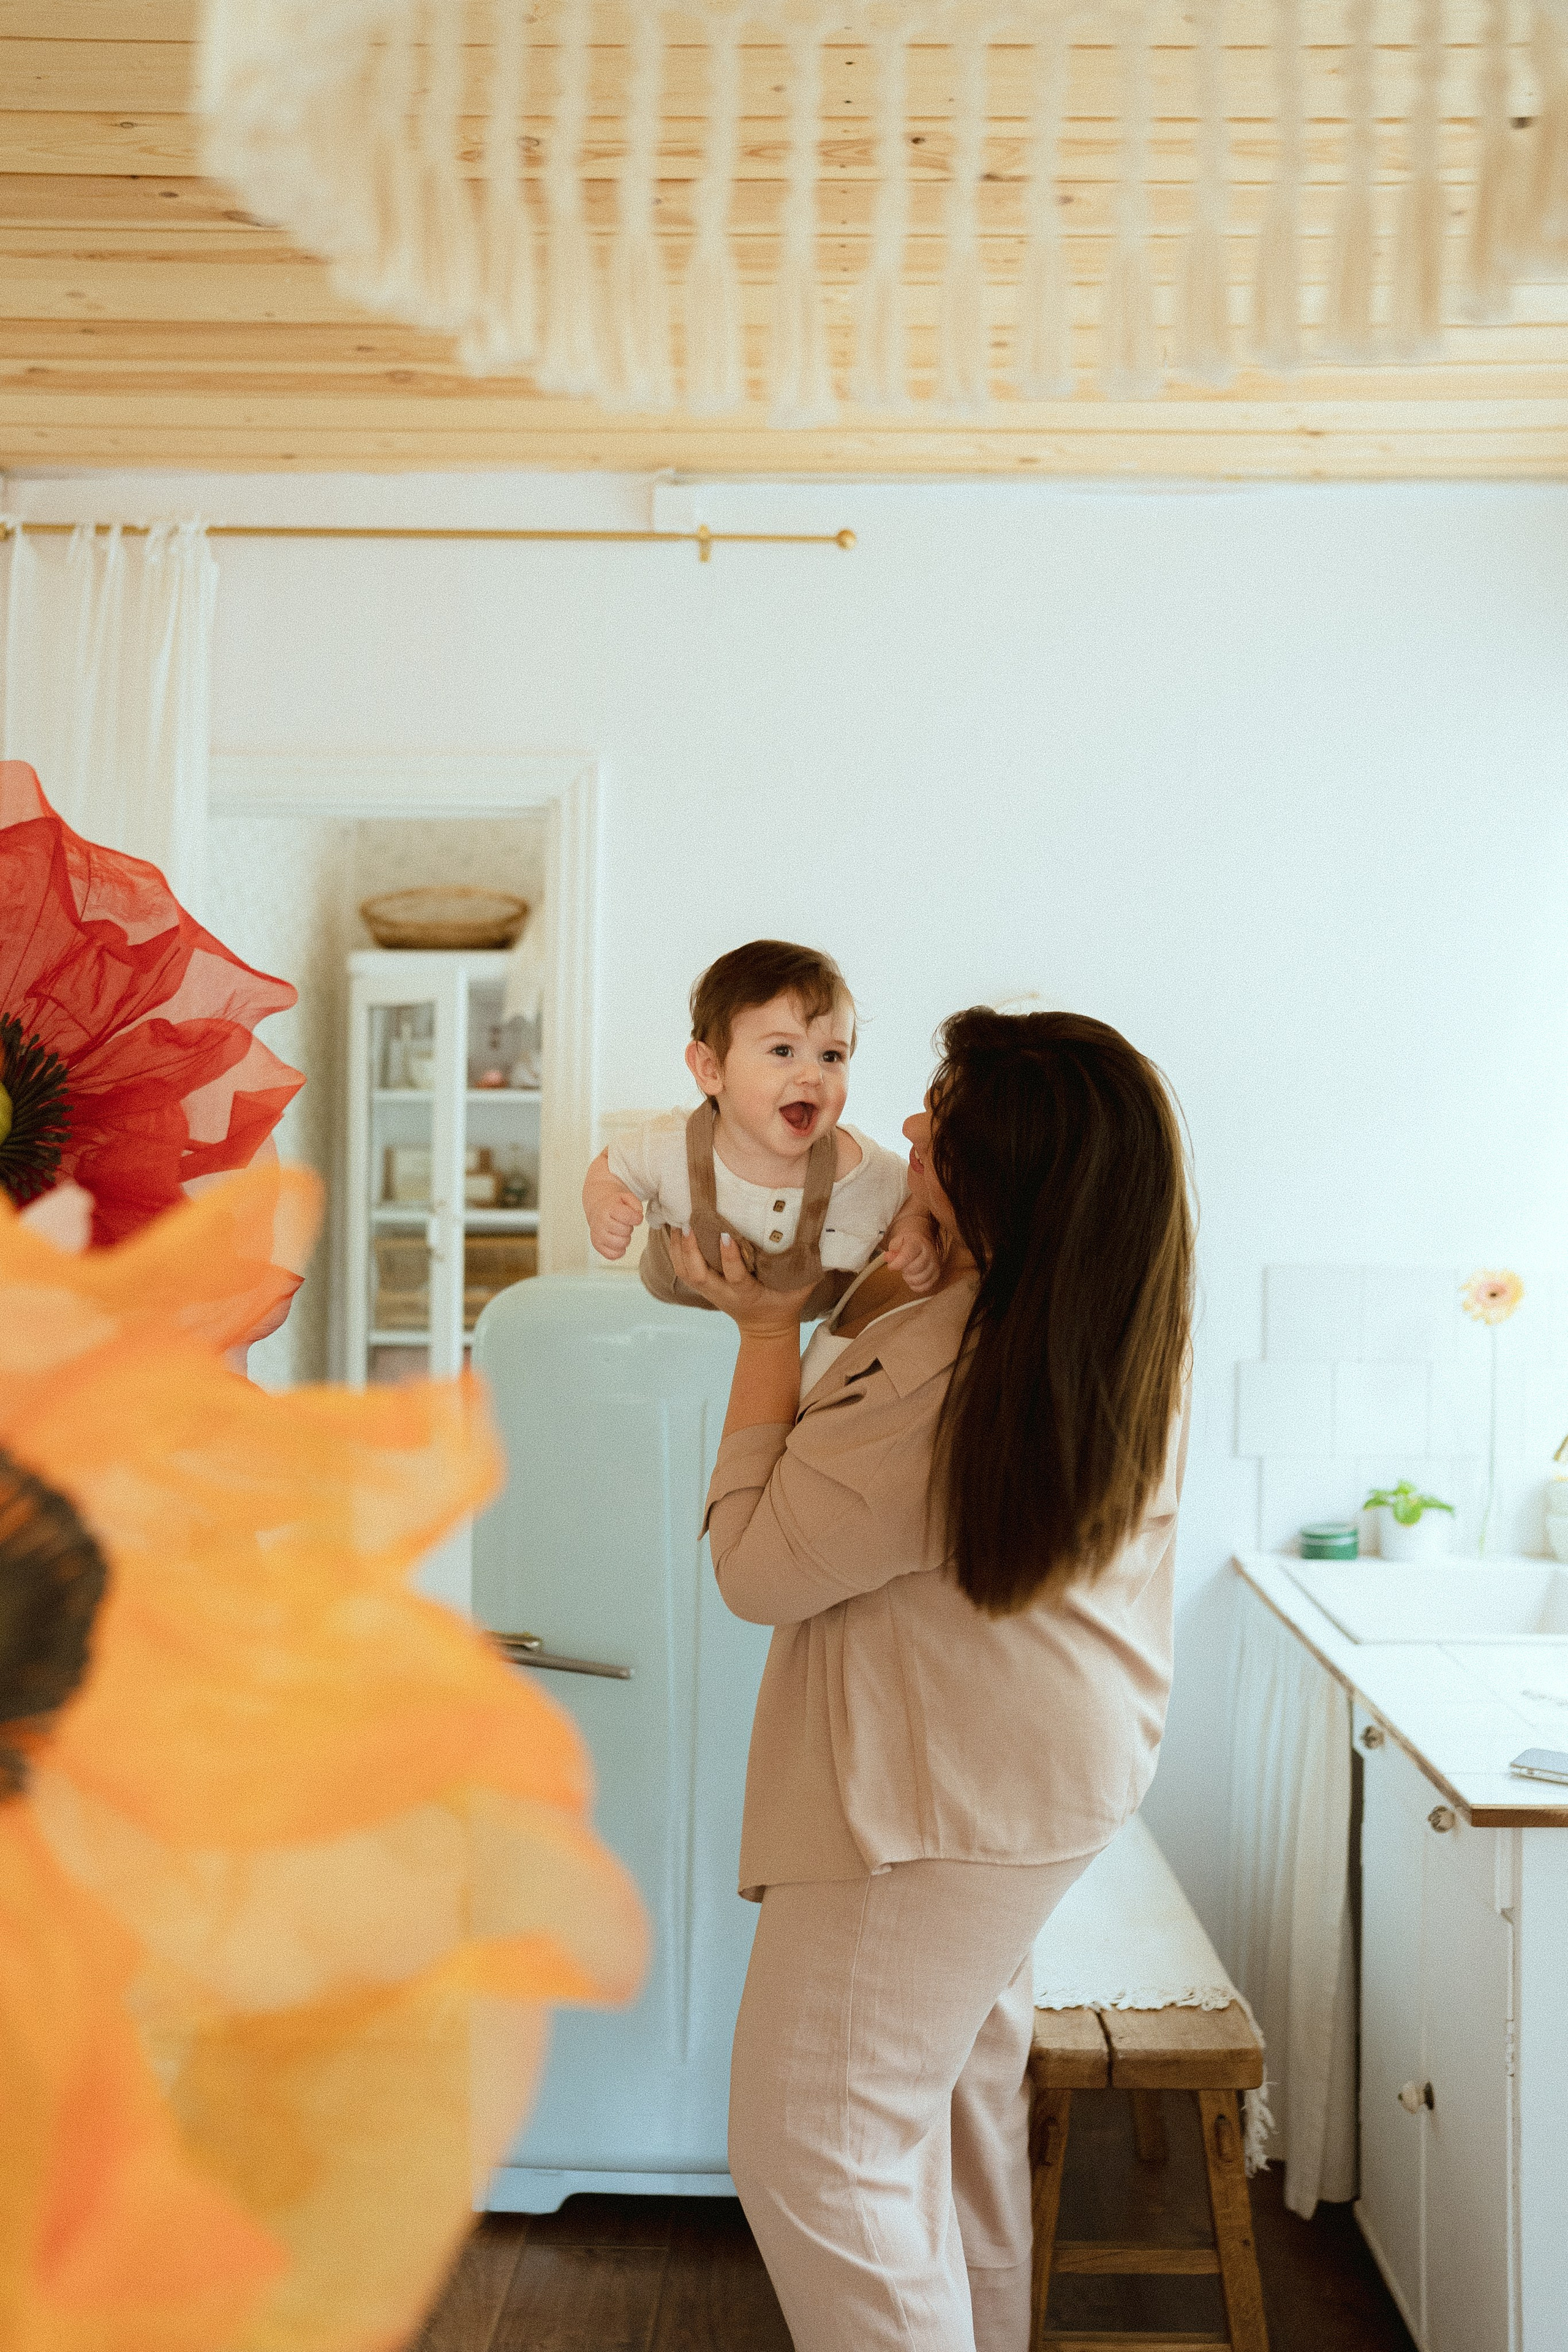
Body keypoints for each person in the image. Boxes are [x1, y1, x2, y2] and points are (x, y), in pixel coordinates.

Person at [668, 1006, 1194, 2352]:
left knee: (817, 2147)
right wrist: (913, 1277)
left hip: (927, 1807)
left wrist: (768, 1335)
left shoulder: (939, 1383)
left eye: (938, 1121)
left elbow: (756, 1566)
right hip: (1038, 1781)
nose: (902, 1125)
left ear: (999, 1181)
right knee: (948, 2119)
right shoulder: (1096, 1317)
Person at [581, 939, 941, 1316]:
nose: (812, 1075)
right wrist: (604, 1202)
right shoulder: (672, 1146)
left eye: (831, 1056)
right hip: (679, 1301)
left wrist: (914, 1232)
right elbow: (612, 1167)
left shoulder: (853, 1164)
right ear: (712, 1069)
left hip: (800, 1323)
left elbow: (912, 1195)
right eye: (783, 1051)